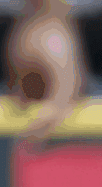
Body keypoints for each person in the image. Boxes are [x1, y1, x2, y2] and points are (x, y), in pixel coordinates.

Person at [4, 0, 87, 140]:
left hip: (56, 143)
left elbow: (61, 102)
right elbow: (20, 88)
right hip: (29, 136)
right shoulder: (29, 27)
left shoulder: (53, 37)